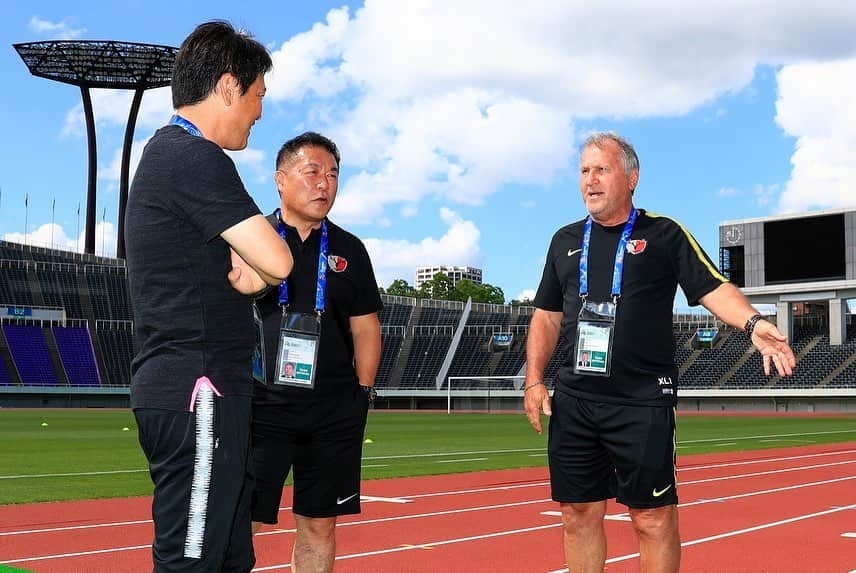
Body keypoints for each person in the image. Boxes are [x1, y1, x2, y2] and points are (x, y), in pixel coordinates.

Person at [524, 131, 796, 573]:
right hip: (574, 400)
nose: (590, 181)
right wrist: (534, 378)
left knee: (652, 518)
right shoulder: (564, 240)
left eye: (602, 170)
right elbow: (547, 316)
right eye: (584, 171)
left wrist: (752, 322)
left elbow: (712, 287)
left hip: (642, 401)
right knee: (577, 514)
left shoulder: (664, 234)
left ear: (631, 177)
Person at [125, 21, 292, 573]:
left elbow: (259, 269)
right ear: (228, 87)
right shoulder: (194, 158)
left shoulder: (170, 157)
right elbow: (279, 259)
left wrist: (258, 275)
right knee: (191, 560)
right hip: (200, 391)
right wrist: (263, 273)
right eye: (258, 95)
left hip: (207, 389)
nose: (260, 112)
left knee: (225, 557)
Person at [251, 132, 382, 572]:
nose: (324, 184)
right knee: (241, 518)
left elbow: (366, 328)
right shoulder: (251, 238)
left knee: (320, 523)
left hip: (332, 409)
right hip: (260, 405)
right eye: (312, 173)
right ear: (280, 179)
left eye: (332, 175)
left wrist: (362, 393)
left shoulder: (350, 250)